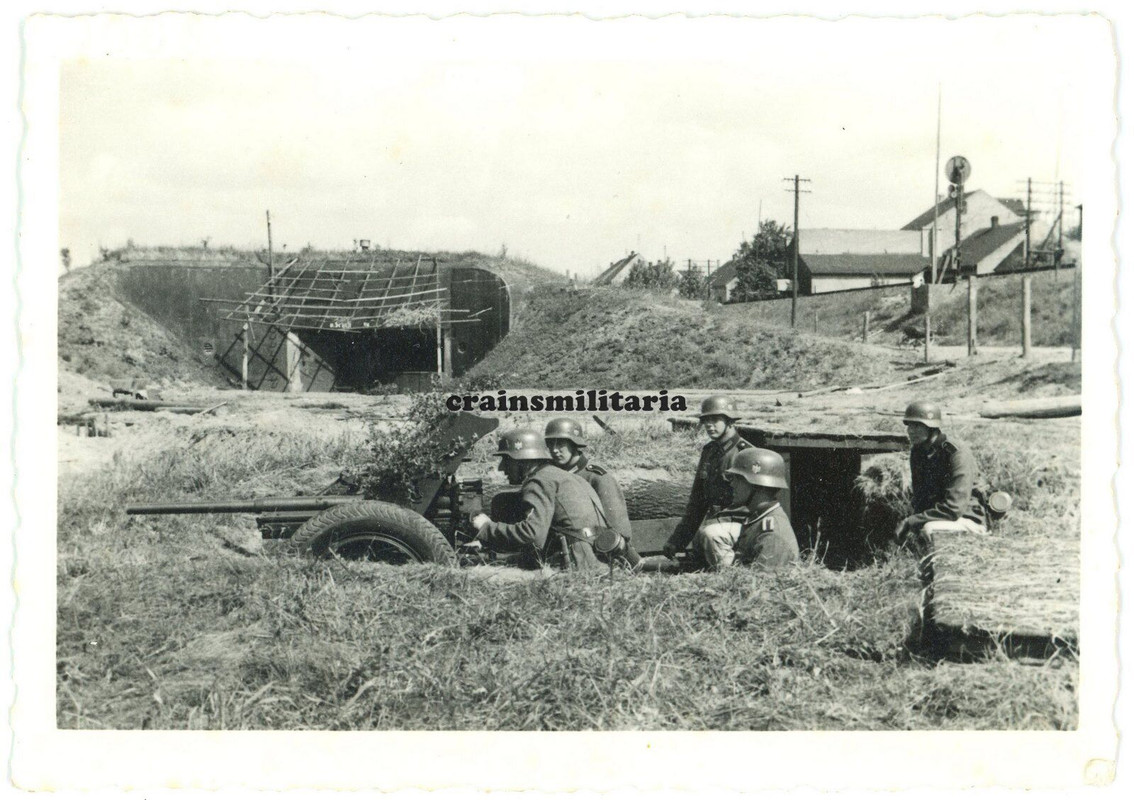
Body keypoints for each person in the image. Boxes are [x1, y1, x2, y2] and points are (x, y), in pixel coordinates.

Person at [470, 428, 606, 571]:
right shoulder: (566, 476)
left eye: (506, 460)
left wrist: (487, 528)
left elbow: (532, 535)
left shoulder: (539, 482)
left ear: (523, 461)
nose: (501, 467)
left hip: (575, 565)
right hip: (597, 557)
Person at [663, 395, 752, 562]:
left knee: (709, 537)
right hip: (716, 526)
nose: (709, 426)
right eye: (706, 421)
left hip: (742, 528)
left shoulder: (745, 454)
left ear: (730, 421)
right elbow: (697, 502)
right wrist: (677, 540)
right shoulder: (709, 452)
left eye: (716, 420)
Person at [544, 418, 641, 568]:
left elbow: (619, 531)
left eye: (561, 443)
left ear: (575, 444)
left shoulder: (597, 478)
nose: (555, 449)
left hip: (597, 558)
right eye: (551, 444)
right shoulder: (551, 477)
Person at [896, 400, 988, 556]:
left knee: (930, 528)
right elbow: (920, 498)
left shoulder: (955, 453)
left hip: (968, 519)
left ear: (932, 427)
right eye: (909, 426)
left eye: (917, 426)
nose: (910, 431)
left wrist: (911, 521)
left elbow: (954, 509)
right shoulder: (919, 452)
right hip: (942, 518)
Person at [695, 448, 799, 570]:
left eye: (738, 479)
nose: (732, 485)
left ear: (756, 486)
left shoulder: (772, 534)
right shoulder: (758, 517)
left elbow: (763, 582)